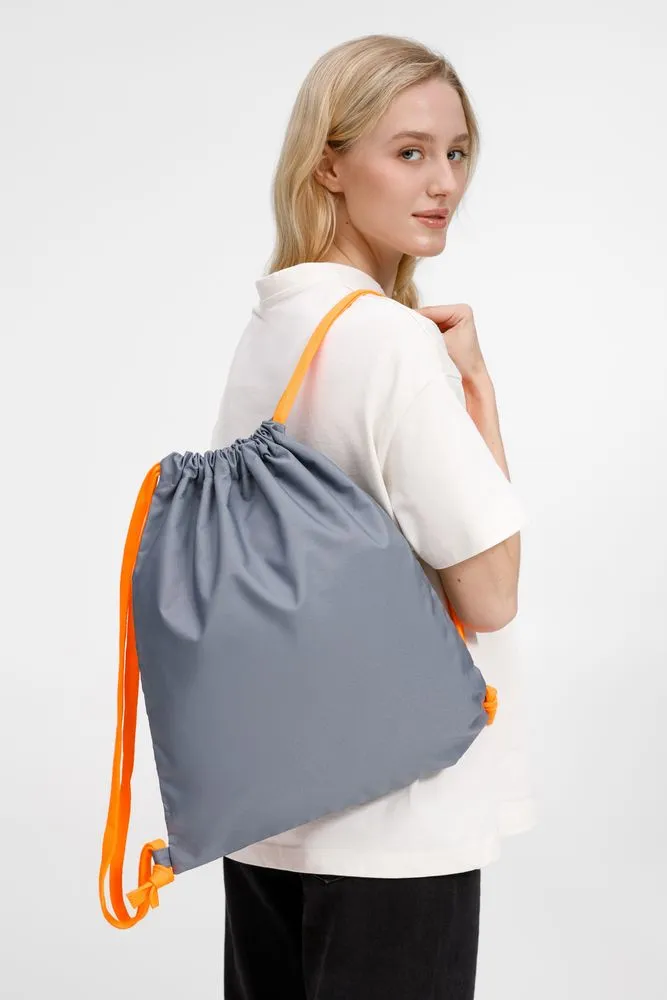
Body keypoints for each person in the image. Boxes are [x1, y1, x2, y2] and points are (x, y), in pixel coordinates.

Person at [210, 32, 537, 1000]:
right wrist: (476, 388)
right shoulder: (390, 342)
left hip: (268, 805)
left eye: (456, 151)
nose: (443, 182)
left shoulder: (276, 328)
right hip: (395, 816)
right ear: (329, 164)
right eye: (409, 151)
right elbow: (489, 592)